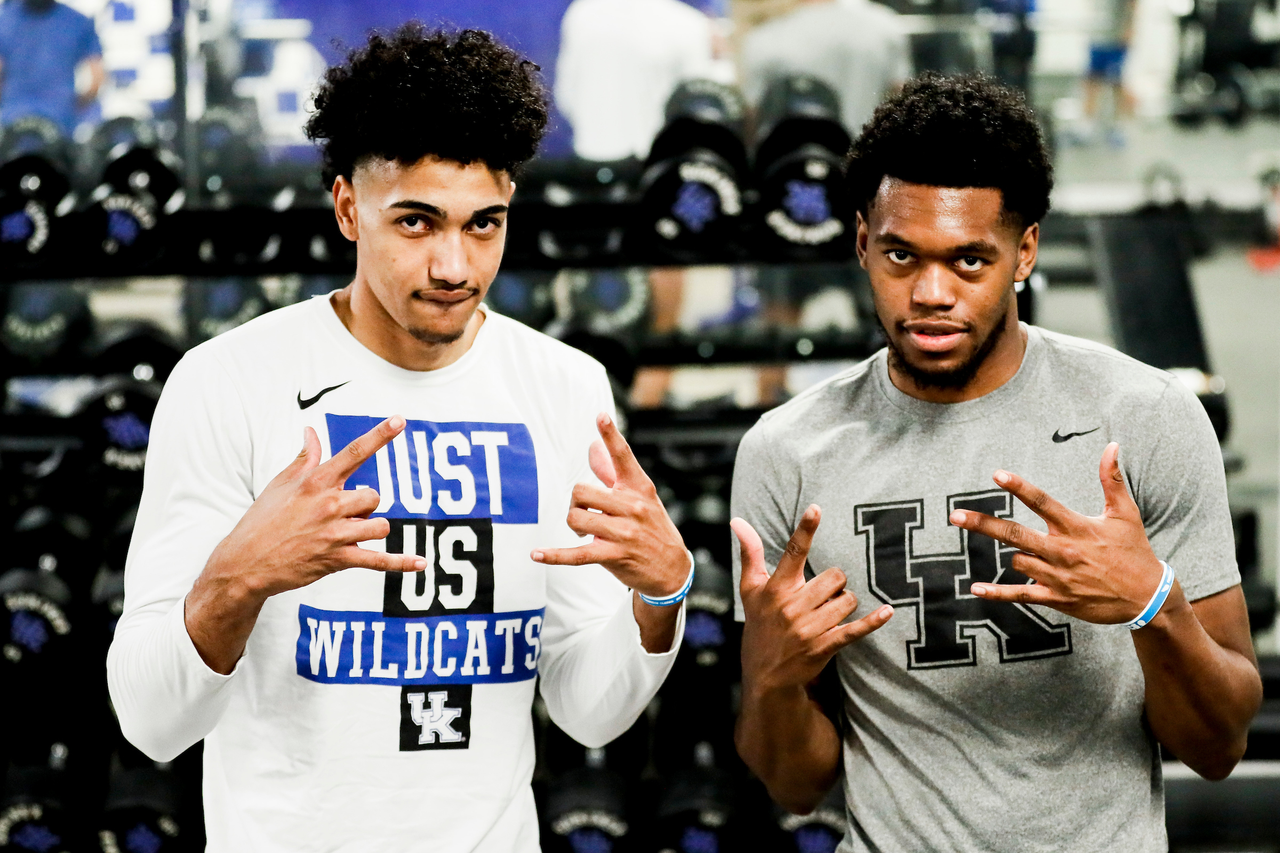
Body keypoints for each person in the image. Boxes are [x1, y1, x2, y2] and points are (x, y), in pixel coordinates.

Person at [107, 25, 692, 852]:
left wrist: (660, 597)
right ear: (348, 207)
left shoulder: (564, 387)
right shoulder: (227, 381)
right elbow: (150, 720)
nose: (455, 264)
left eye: (483, 225)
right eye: (417, 222)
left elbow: (586, 706)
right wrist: (238, 580)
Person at [730, 74, 1261, 852]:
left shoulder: (1143, 416)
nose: (931, 293)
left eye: (970, 261)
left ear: (1026, 251)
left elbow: (1217, 749)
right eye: (900, 255)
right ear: (860, 243)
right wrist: (774, 675)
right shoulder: (787, 451)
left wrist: (1154, 603)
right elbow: (794, 782)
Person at [556, 0, 720, 161]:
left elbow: (565, 96)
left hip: (591, 166)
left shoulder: (581, 14)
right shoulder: (690, 24)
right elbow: (699, 109)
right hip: (654, 168)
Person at [740, 0, 910, 139]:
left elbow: (752, 120)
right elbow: (905, 104)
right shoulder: (884, 25)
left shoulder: (766, 38)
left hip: (797, 169)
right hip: (869, 165)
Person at [0, 0, 103, 136]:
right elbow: (96, 77)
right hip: (60, 119)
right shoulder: (78, 21)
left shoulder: (5, 19)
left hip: (12, 119)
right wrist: (77, 104)